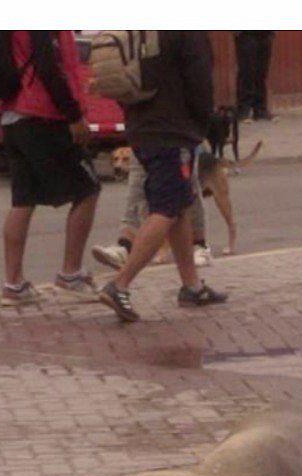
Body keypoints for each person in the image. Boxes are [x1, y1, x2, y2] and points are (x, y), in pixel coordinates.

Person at [98, 31, 228, 323]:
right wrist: (201, 124)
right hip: (173, 131)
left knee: (179, 205)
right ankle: (119, 285)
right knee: (167, 209)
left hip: (141, 127)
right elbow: (199, 85)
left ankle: (192, 286)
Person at [0, 30, 100, 306]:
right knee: (88, 188)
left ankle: (13, 284)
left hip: (11, 114)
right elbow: (48, 66)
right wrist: (74, 114)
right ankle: (71, 274)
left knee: (23, 199)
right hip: (42, 114)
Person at [92, 153, 212, 269]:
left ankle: (198, 245)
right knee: (136, 187)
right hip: (142, 137)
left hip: (178, 138)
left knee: (188, 186)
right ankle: (125, 246)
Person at [235, 31, 277, 122]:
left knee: (262, 72)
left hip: (265, 33)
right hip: (246, 34)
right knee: (247, 71)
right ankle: (243, 110)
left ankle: (260, 109)